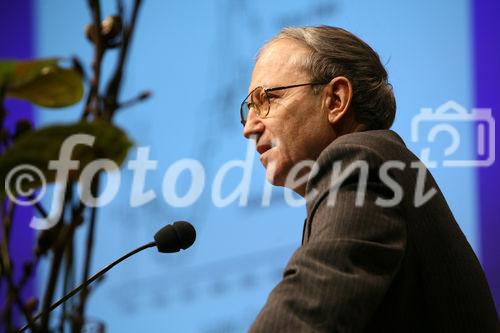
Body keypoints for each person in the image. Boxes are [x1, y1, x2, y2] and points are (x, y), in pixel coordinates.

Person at [240, 26, 498, 332]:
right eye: (249, 109)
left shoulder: (360, 160)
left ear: (335, 100)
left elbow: (309, 310)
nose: (250, 127)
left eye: (267, 99)